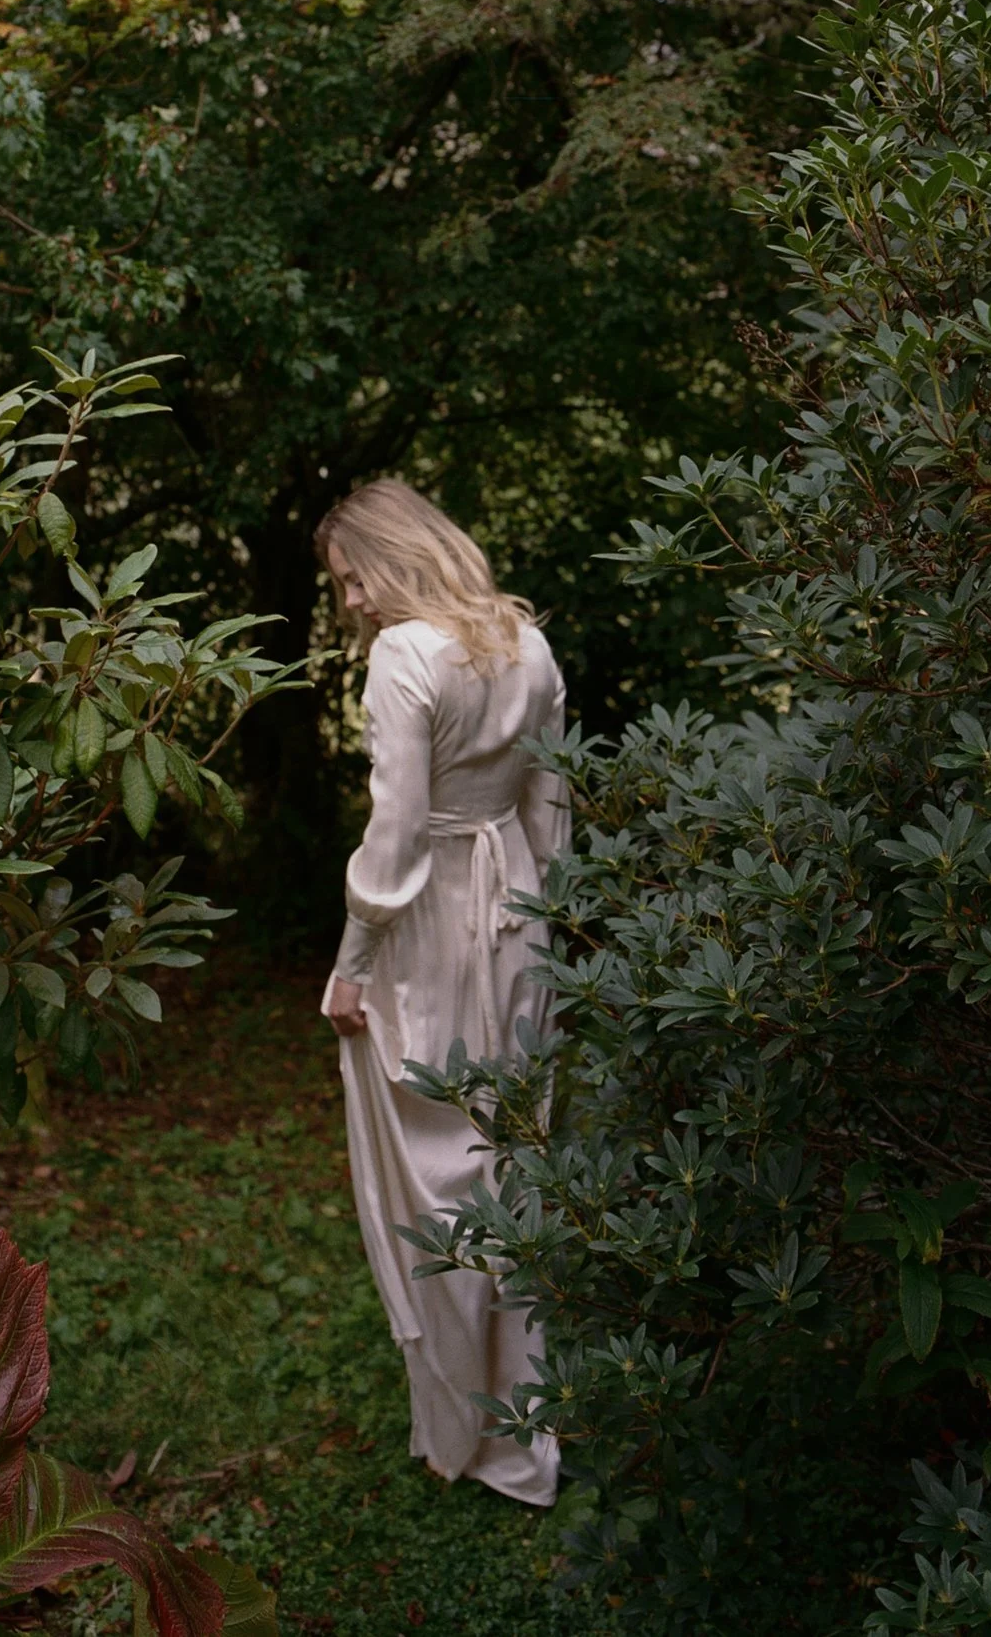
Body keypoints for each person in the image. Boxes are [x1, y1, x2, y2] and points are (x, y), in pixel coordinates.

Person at [316, 478, 566, 1507]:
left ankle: (462, 1430)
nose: (348, 603)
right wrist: (544, 929)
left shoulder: (403, 655)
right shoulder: (528, 645)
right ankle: (519, 1423)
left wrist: (352, 958)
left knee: (433, 1181)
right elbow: (552, 808)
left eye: (349, 579)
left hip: (422, 930)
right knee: (510, 1162)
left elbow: (395, 830)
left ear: (392, 557)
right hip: (513, 912)